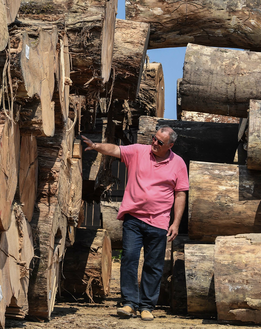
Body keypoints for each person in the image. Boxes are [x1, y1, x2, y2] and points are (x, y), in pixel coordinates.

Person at [80, 125, 188, 322]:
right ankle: (129, 302)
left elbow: (180, 193)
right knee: (129, 257)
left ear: (170, 145)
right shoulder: (139, 151)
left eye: (160, 142)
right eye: (154, 138)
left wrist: (176, 222)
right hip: (134, 218)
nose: (154, 143)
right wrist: (96, 146)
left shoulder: (178, 163)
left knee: (153, 265)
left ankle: (146, 306)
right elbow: (115, 150)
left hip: (159, 221)